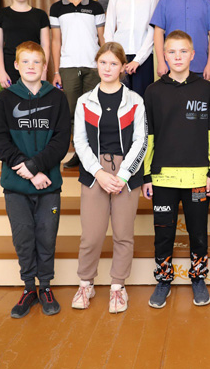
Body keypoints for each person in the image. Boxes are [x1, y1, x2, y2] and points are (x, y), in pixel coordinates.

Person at [0, 41, 71, 318]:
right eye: (25, 62)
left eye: (37, 62)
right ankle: (28, 288)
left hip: (49, 185)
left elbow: (61, 142)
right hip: (16, 186)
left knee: (46, 236)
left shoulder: (57, 99)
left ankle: (45, 286)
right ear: (16, 65)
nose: (31, 67)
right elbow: (0, 143)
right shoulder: (5, 99)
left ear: (45, 66)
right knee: (23, 238)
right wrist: (28, 170)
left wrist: (36, 167)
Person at [142, 31, 210, 309]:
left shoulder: (206, 89)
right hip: (163, 178)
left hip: (198, 177)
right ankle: (164, 280)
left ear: (193, 54)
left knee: (198, 231)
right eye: (172, 52)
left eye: (183, 51)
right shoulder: (153, 91)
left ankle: (198, 277)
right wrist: (147, 175)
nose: (177, 57)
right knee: (164, 232)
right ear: (163, 55)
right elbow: (148, 137)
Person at [71, 42, 147, 314]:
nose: (107, 68)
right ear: (97, 64)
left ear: (123, 67)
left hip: (126, 172)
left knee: (123, 235)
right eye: (103, 62)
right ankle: (85, 283)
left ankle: (118, 287)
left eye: (114, 63)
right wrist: (99, 173)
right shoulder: (84, 101)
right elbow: (80, 142)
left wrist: (123, 175)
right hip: (95, 173)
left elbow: (141, 141)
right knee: (91, 236)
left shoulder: (135, 100)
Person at [50, 0, 105, 169]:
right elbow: (56, 41)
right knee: (73, 113)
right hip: (68, 67)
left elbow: (102, 38)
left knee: (94, 111)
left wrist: (104, 65)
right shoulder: (57, 8)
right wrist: (56, 71)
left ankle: (94, 154)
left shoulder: (96, 7)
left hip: (93, 67)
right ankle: (79, 154)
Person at [104, 0, 157, 97]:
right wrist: (115, 58)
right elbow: (109, 29)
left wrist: (137, 60)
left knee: (142, 99)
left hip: (143, 58)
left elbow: (152, 31)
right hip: (119, 57)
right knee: (120, 99)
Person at [0, 0, 50, 87]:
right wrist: (2, 72)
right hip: (10, 65)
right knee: (13, 97)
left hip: (34, 64)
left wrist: (43, 71)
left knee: (34, 96)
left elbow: (45, 45)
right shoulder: (1, 14)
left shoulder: (40, 15)